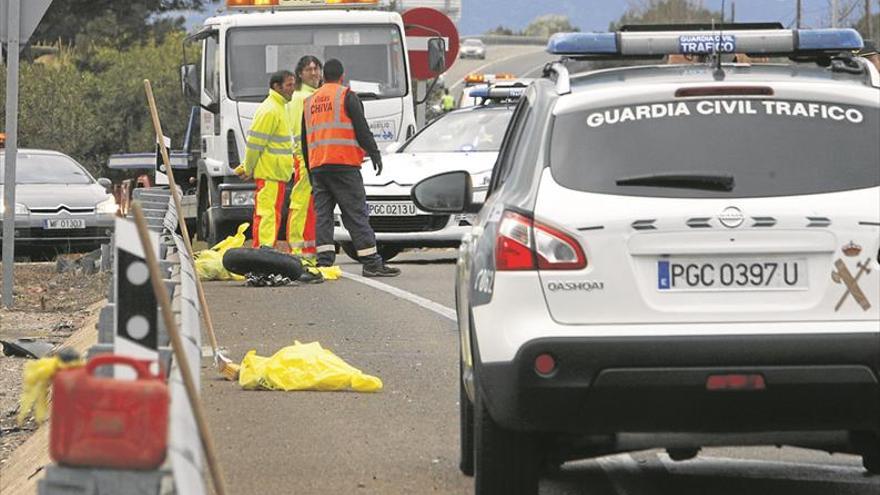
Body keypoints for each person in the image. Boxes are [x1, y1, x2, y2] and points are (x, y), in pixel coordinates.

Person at [301, 59, 400, 277]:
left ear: (323, 76)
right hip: (344, 165)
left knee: (323, 216)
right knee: (355, 213)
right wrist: (374, 153)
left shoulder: (310, 102)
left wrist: (310, 170)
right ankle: (371, 263)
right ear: (342, 76)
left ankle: (325, 263)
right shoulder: (346, 96)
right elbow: (361, 128)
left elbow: (304, 140)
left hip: (319, 167)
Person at [236, 70, 295, 248]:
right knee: (267, 215)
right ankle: (263, 252)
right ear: (277, 87)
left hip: (276, 175)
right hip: (270, 175)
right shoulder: (271, 110)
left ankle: (265, 251)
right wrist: (248, 167)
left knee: (271, 215)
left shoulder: (279, 107)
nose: (293, 89)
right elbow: (255, 144)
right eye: (289, 85)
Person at [286, 56, 323, 265]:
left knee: (311, 203)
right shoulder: (301, 97)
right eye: (309, 70)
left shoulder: (313, 95)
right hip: (304, 156)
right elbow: (299, 130)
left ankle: (309, 246)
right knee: (301, 202)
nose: (314, 73)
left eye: (316, 68)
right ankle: (297, 246)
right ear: (300, 74)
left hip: (313, 156)